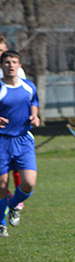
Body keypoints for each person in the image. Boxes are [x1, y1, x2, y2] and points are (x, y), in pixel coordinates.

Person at [0, 50, 39, 237]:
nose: (10, 65)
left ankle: (13, 204)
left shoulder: (29, 86)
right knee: (1, 185)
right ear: (2, 66)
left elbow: (34, 101)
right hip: (1, 141)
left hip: (23, 140)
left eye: (14, 62)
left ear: (19, 65)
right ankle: (1, 223)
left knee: (29, 183)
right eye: (7, 62)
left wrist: (35, 115)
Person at [0, 38, 26, 226]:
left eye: (2, 50)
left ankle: (15, 200)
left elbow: (27, 97)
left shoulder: (18, 72)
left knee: (19, 169)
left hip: (17, 132)